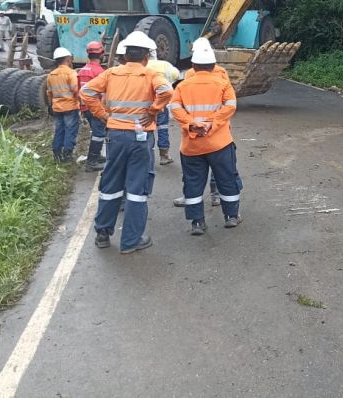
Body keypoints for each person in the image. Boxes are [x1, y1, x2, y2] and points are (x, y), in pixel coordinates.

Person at [81, 31, 173, 254]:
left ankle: (103, 233)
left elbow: (86, 92)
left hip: (115, 135)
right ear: (146, 56)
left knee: (111, 183)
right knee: (136, 188)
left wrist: (103, 115)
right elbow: (167, 91)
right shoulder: (150, 75)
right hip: (140, 138)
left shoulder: (111, 74)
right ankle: (131, 240)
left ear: (124, 55)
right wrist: (153, 110)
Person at [170, 37, 242, 233]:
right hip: (220, 143)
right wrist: (213, 123)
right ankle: (231, 216)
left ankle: (197, 222)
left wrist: (192, 124)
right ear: (213, 64)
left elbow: (175, 108)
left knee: (193, 182)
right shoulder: (222, 83)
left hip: (192, 145)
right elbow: (230, 106)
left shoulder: (183, 86)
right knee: (226, 179)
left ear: (193, 64)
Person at [46, 47, 81, 162]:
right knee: (70, 130)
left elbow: (49, 93)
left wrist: (50, 106)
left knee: (59, 130)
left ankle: (56, 154)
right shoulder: (71, 73)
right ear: (68, 59)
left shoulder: (51, 75)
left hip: (57, 108)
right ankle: (67, 155)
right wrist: (80, 103)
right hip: (70, 107)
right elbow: (76, 90)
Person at [78, 40, 108, 172]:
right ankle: (92, 161)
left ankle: (96, 156)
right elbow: (103, 94)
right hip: (96, 108)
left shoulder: (82, 70)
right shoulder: (100, 72)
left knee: (96, 132)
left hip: (85, 107)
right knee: (99, 133)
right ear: (102, 53)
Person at [146, 49, 180, 165]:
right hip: (161, 102)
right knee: (162, 127)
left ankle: (147, 154)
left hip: (145, 103)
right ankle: (164, 156)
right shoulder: (164, 65)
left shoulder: (141, 66)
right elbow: (176, 75)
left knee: (145, 128)